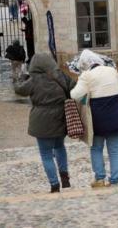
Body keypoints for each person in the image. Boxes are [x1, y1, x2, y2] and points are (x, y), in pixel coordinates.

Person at [14, 53, 76, 193]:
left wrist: (21, 78)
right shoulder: (61, 76)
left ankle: (54, 185)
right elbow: (75, 88)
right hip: (61, 117)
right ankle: (64, 176)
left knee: (46, 153)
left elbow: (19, 90)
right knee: (60, 146)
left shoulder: (33, 80)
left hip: (41, 120)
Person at [70, 49, 118, 188]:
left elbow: (75, 95)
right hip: (116, 116)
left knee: (96, 148)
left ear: (85, 64)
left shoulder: (86, 75)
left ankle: (99, 179)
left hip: (97, 120)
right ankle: (115, 181)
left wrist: (87, 95)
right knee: (115, 150)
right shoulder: (111, 71)